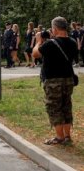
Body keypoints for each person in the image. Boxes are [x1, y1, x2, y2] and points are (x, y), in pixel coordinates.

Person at [32, 17, 78, 146]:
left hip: (53, 80)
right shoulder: (73, 42)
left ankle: (59, 137)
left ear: (55, 28)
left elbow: (35, 54)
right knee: (66, 106)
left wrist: (38, 41)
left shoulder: (50, 44)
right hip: (68, 79)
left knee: (54, 107)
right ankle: (67, 136)